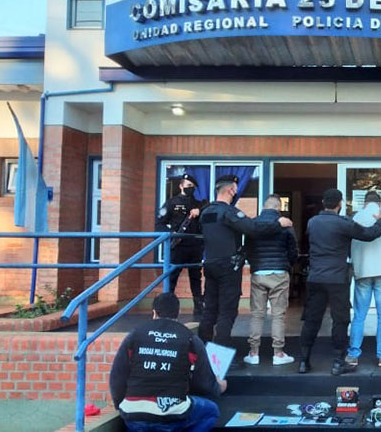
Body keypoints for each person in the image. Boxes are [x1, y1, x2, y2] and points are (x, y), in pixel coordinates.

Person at [297, 188, 381, 375]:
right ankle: (339, 362)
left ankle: (304, 362)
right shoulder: (343, 223)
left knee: (311, 320)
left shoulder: (312, 222)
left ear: (323, 203)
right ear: (340, 204)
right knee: (340, 320)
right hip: (337, 279)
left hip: (315, 278)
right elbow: (369, 234)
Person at [109, 292, 227, 432]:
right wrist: (219, 387)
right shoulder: (190, 339)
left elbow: (117, 376)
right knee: (211, 412)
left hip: (134, 416)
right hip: (172, 416)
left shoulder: (135, 335)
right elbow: (203, 383)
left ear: (154, 313)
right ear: (178, 313)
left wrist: (120, 405)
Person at [198, 174, 292, 347]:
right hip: (227, 267)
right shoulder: (229, 212)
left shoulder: (206, 212)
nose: (235, 193)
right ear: (230, 190)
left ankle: (201, 350)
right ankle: (220, 356)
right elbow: (252, 228)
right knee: (227, 312)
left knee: (209, 309)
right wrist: (279, 224)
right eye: (235, 190)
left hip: (210, 264)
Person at [346, 191, 381, 369]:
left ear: (364, 203)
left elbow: (348, 243)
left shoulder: (354, 217)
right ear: (380, 203)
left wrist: (354, 262)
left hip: (362, 271)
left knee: (359, 315)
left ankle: (353, 355)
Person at [242, 194, 298, 367]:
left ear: (264, 207)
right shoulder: (285, 224)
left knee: (257, 314)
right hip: (279, 272)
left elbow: (248, 249)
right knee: (278, 315)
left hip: (259, 272)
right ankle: (278, 353)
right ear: (278, 208)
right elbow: (293, 250)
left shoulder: (253, 224)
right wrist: (288, 264)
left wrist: (255, 264)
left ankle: (254, 353)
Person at [155, 173, 206, 318]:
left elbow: (209, 212)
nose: (191, 189)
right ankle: (167, 310)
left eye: (193, 187)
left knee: (196, 279)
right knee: (172, 278)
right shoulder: (171, 203)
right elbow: (159, 224)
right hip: (178, 246)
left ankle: (198, 309)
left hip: (195, 247)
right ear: (181, 186)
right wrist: (171, 234)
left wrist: (200, 211)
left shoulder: (198, 204)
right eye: (188, 186)